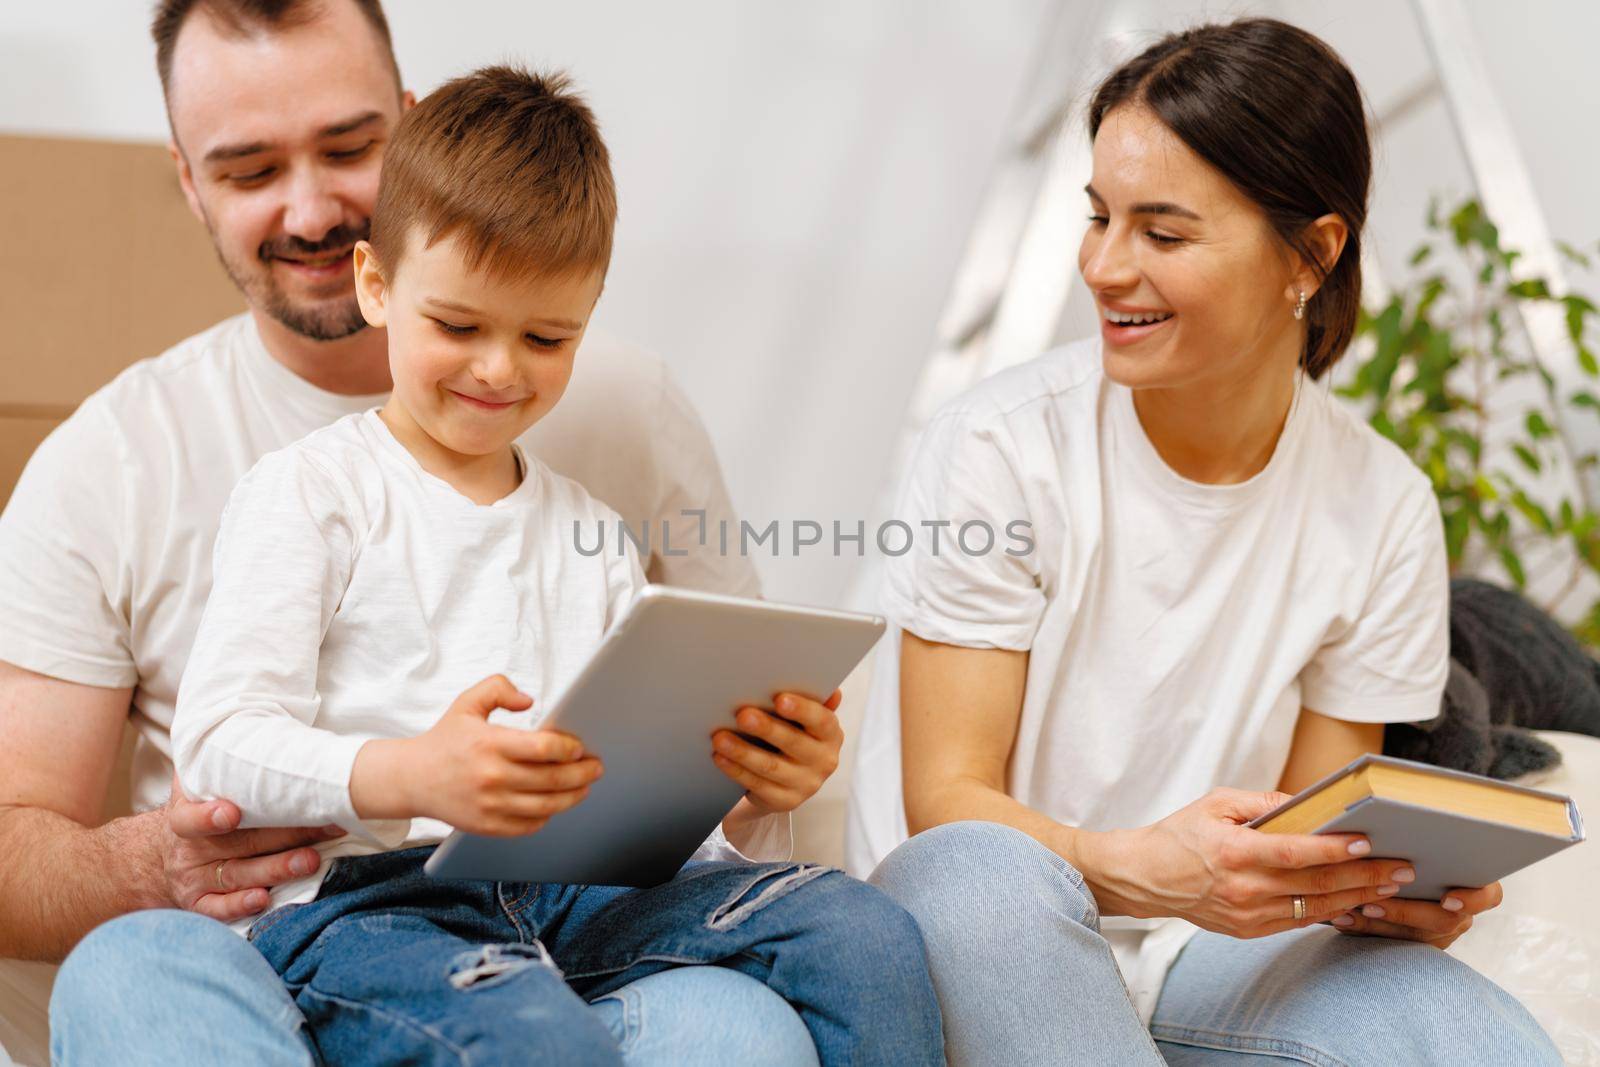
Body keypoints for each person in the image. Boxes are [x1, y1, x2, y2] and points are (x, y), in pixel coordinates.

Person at [0, 1, 814, 1062]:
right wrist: (156, 866)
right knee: (129, 967)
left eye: (349, 149)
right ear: (189, 181)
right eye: (249, 172)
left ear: (415, 124)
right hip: (280, 960)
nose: (312, 210)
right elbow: (14, 838)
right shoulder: (114, 459)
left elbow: (698, 777)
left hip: (554, 954)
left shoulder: (626, 412)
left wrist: (748, 784)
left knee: (732, 1019)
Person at [136, 66, 938, 1066]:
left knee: (864, 934)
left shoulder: (592, 533)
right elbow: (218, 745)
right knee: (534, 1034)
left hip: (578, 893)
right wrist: (408, 770)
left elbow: (639, 803)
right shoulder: (311, 492)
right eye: (458, 325)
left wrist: (750, 780)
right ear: (375, 283)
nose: (500, 368)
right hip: (379, 905)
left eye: (546, 336)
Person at [846, 17, 1562, 1065]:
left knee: (1458, 1029)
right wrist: (1140, 867)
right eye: (1098, 217)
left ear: (1310, 253)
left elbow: (1306, 827)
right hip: (987, 919)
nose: (1101, 265)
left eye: (1162, 232)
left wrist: (1365, 891)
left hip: (1210, 948)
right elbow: (945, 804)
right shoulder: (999, 448)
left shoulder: (1384, 503)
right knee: (978, 875)